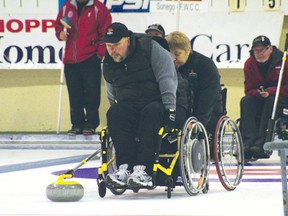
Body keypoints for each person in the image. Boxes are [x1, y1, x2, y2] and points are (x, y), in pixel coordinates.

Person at [101, 22, 178, 188]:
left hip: (154, 100)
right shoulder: (107, 62)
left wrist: (170, 110)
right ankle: (124, 167)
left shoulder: (150, 48)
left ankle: (144, 169)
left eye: (116, 45)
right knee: (115, 113)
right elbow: (111, 93)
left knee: (151, 113)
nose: (112, 50)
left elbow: (167, 80)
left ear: (127, 40)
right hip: (128, 103)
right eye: (108, 45)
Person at [55, 0, 112, 136]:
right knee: (74, 94)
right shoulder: (66, 7)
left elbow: (105, 33)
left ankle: (91, 124)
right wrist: (60, 34)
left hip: (90, 58)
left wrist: (99, 55)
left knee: (92, 94)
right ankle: (77, 124)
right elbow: (58, 25)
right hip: (70, 59)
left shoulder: (99, 9)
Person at [240, 35, 288, 161]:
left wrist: (270, 91)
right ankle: (247, 142)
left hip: (281, 97)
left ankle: (262, 142)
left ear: (270, 49)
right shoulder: (249, 64)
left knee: (271, 101)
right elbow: (248, 90)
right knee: (246, 101)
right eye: (256, 50)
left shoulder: (284, 61)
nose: (259, 53)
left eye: (262, 50)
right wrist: (258, 92)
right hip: (260, 97)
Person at [166, 31, 222, 136]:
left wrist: (198, 121)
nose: (173, 59)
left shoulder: (206, 65)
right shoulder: (167, 66)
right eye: (170, 54)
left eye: (177, 54)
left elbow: (208, 97)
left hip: (206, 110)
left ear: (188, 50)